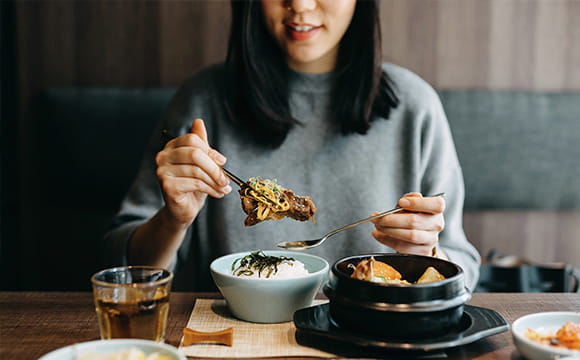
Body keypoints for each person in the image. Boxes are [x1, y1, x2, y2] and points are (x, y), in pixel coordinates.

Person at [104, 0, 480, 290]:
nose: (299, 4)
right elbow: (126, 268)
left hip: (371, 336)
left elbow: (463, 269)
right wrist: (174, 219)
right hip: (237, 338)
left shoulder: (414, 105)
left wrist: (427, 256)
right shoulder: (203, 99)